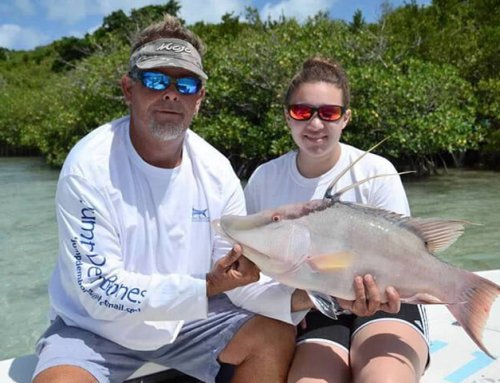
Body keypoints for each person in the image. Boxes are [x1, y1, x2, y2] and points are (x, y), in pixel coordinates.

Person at [32, 15, 306, 383]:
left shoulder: (217, 170)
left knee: (275, 336)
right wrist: (206, 286)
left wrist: (312, 295)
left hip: (189, 321)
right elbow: (99, 290)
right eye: (156, 79)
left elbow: (240, 283)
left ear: (200, 99)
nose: (172, 93)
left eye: (187, 83)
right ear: (129, 89)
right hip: (94, 328)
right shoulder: (89, 166)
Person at [244, 57, 430, 383]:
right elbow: (254, 268)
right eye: (303, 111)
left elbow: (407, 254)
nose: (315, 124)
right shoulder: (264, 178)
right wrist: (290, 302)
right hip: (312, 309)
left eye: (328, 113)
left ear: (345, 118)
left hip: (387, 303)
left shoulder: (377, 171)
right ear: (287, 116)